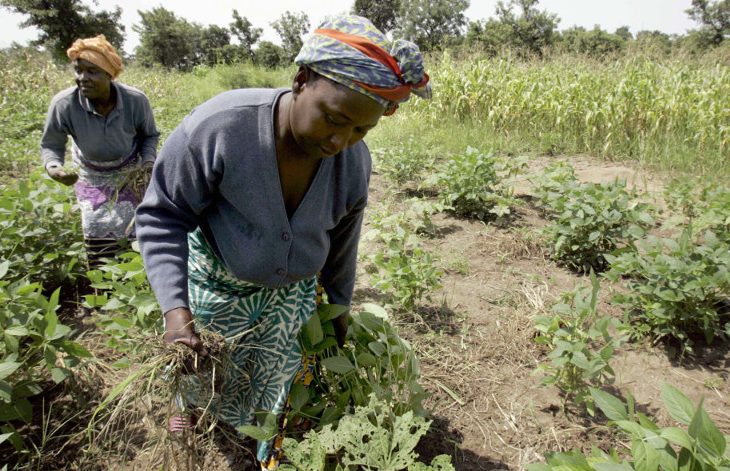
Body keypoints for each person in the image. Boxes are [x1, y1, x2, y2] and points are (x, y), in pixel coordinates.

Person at [135, 15, 430, 468]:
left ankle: (269, 444)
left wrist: (337, 308)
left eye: (360, 131)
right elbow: (161, 216)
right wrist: (177, 314)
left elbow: (342, 244)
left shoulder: (353, 164)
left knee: (278, 377)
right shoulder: (221, 129)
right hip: (219, 282)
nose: (340, 139)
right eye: (333, 119)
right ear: (301, 80)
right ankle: (188, 410)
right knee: (200, 364)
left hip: (289, 295)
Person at [41, 34, 159, 268]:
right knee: (96, 227)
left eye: (92, 71)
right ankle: (102, 281)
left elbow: (149, 136)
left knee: (136, 226)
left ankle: (136, 276)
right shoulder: (64, 104)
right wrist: (54, 167)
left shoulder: (135, 101)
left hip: (130, 172)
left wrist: (147, 163)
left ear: (109, 75)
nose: (83, 78)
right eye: (78, 71)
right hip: (90, 174)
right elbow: (51, 145)